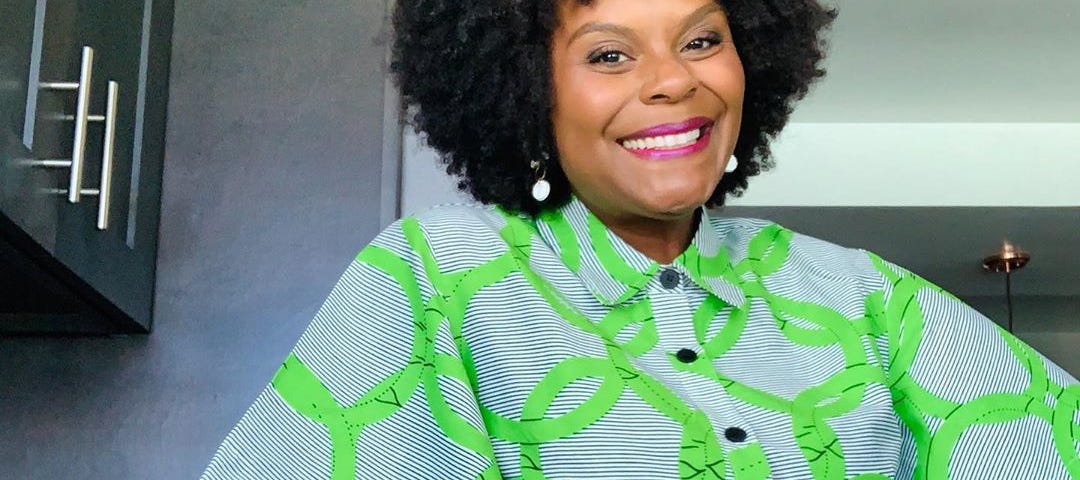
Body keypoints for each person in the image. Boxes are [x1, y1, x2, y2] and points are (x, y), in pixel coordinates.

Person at [202, 0, 1079, 478]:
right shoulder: (437, 276)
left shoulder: (860, 294)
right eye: (610, 54)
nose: (674, 82)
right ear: (524, 86)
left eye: (702, 38)